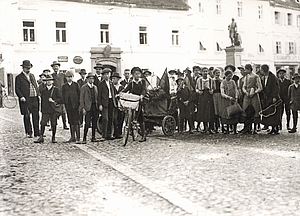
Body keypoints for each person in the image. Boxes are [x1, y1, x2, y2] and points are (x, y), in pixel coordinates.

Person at [34, 74, 63, 143]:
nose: (49, 82)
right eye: (47, 81)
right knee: (43, 123)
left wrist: (53, 100)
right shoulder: (44, 90)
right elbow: (43, 101)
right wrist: (42, 109)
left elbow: (61, 99)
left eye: (50, 80)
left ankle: (53, 137)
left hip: (53, 110)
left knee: (53, 123)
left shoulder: (56, 90)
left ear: (52, 81)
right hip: (46, 110)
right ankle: (41, 137)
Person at [15, 60, 40, 138]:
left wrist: (38, 94)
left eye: (29, 68)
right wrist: (21, 96)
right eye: (26, 68)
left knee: (36, 116)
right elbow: (17, 89)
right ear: (23, 68)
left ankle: (37, 132)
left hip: (34, 98)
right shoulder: (19, 77)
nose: (28, 69)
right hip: (25, 99)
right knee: (27, 116)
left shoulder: (32, 75)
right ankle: (29, 132)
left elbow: (35, 86)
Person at [122, 67, 147, 142]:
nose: (137, 76)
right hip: (132, 101)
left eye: (139, 74)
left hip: (140, 100)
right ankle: (130, 124)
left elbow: (144, 90)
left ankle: (143, 135)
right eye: (136, 74)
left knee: (140, 118)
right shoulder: (131, 83)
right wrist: (120, 93)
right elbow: (126, 90)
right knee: (129, 112)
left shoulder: (142, 81)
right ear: (132, 75)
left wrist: (142, 96)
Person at [260, 64, 281, 134]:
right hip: (267, 98)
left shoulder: (273, 77)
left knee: (275, 113)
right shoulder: (263, 78)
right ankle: (272, 127)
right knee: (270, 113)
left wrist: (275, 97)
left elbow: (276, 88)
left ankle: (276, 128)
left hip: (273, 98)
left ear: (264, 70)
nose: (260, 71)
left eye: (261, 70)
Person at [242, 64, 263, 134]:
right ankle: (247, 128)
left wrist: (254, 92)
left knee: (256, 111)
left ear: (249, 69)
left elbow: (260, 87)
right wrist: (245, 92)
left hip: (254, 96)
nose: (245, 71)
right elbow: (243, 86)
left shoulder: (256, 76)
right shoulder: (246, 77)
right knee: (246, 110)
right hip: (247, 96)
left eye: (246, 69)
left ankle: (255, 128)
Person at [98, 68, 117, 141]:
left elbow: (114, 92)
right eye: (105, 74)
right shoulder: (101, 84)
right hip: (104, 103)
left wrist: (115, 98)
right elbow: (99, 95)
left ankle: (109, 134)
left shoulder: (111, 83)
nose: (106, 76)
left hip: (111, 102)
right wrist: (100, 104)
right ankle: (103, 135)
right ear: (103, 75)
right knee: (105, 119)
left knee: (110, 118)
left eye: (108, 74)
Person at [79, 72, 99, 144]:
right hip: (87, 107)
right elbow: (81, 98)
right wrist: (83, 108)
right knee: (87, 123)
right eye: (90, 78)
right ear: (87, 79)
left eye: (92, 79)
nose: (91, 80)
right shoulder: (84, 87)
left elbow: (97, 97)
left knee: (94, 122)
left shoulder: (95, 87)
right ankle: (84, 137)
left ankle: (93, 137)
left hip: (94, 106)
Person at [62, 70, 81, 143]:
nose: (69, 78)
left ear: (73, 77)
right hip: (68, 106)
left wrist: (79, 105)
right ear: (66, 78)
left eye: (70, 77)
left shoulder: (76, 85)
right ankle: (72, 136)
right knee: (70, 121)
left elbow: (79, 95)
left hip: (75, 106)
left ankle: (78, 137)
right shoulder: (64, 86)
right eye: (68, 77)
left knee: (76, 121)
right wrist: (64, 104)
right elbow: (63, 96)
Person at [195, 67, 215, 134]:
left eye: (206, 71)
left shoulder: (210, 80)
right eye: (204, 71)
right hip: (202, 96)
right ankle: (205, 127)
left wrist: (212, 91)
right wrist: (198, 92)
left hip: (209, 96)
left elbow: (213, 88)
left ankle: (210, 128)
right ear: (201, 72)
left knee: (209, 111)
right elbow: (196, 89)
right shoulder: (199, 80)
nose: (205, 73)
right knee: (203, 112)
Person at [220, 70, 239, 134]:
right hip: (226, 100)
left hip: (233, 99)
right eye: (228, 76)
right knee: (227, 114)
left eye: (231, 76)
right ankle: (227, 129)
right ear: (225, 76)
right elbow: (222, 93)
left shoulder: (233, 82)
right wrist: (228, 97)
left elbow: (236, 89)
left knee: (235, 113)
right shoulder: (223, 82)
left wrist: (236, 96)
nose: (230, 78)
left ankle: (235, 129)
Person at [51, 61, 68, 130]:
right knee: (54, 110)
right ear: (52, 68)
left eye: (57, 66)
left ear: (59, 67)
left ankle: (65, 124)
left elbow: (66, 84)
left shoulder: (62, 75)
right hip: (55, 95)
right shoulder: (51, 76)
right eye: (54, 66)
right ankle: (53, 125)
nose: (56, 68)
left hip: (62, 95)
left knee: (63, 111)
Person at [111, 72, 124, 139]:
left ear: (118, 79)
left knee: (121, 118)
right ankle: (115, 133)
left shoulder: (122, 87)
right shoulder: (111, 87)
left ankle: (119, 132)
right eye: (112, 78)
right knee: (114, 119)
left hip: (121, 105)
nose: (113, 80)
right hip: (114, 105)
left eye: (114, 78)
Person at [212, 68, 222, 133]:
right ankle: (216, 126)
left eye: (219, 73)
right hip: (214, 95)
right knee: (215, 110)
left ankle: (221, 126)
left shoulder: (221, 80)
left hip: (220, 95)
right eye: (216, 73)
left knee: (220, 110)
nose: (218, 74)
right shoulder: (212, 80)